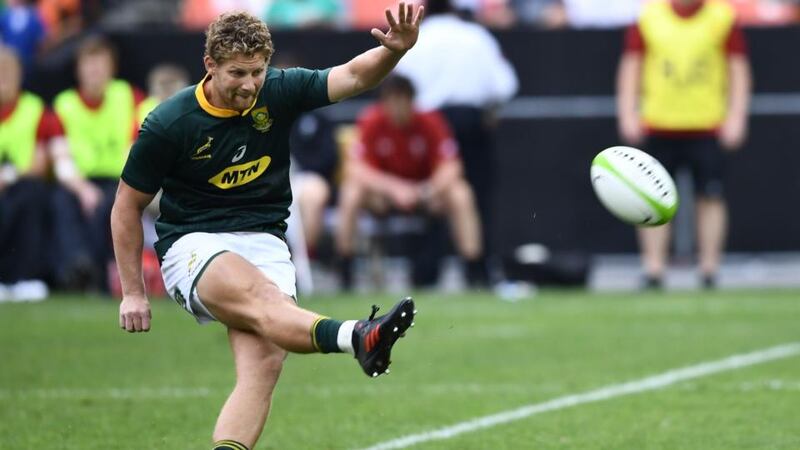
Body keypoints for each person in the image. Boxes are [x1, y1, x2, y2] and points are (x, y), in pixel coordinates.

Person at [111, 6, 422, 450]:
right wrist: (133, 291)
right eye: (237, 72)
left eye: (257, 72)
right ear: (210, 66)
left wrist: (394, 52)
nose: (248, 85)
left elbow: (354, 76)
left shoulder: (278, 89)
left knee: (264, 365)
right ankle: (359, 336)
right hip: (194, 242)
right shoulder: (170, 122)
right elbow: (126, 206)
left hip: (264, 239)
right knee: (261, 302)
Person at [616, 0, 751, 289]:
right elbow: (631, 66)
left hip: (707, 122)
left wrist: (737, 115)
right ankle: (653, 267)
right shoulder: (649, 16)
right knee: (651, 199)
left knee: (711, 196)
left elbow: (737, 69)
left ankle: (709, 267)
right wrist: (628, 112)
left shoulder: (721, 17)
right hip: (658, 121)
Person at [394, 0, 518, 286]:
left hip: (427, 124)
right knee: (476, 197)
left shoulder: (418, 41)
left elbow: (402, 88)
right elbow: (505, 85)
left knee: (432, 197)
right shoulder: (476, 37)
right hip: (471, 123)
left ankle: (425, 273)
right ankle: (477, 271)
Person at [335, 74, 483, 289]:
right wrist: (394, 188)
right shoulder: (371, 121)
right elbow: (355, 168)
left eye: (401, 100)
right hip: (383, 197)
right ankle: (345, 267)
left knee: (461, 192)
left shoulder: (430, 121)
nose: (396, 108)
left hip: (424, 194)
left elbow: (452, 166)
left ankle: (474, 269)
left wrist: (427, 189)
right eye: (391, 101)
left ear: (411, 101)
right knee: (351, 192)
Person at [50, 35, 145, 291]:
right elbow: (61, 159)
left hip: (121, 179)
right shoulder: (64, 104)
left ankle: (98, 274)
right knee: (63, 201)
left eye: (100, 64)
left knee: (109, 204)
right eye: (89, 65)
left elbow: (140, 145)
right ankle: (76, 265)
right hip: (80, 181)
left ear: (111, 68)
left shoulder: (129, 96)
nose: (94, 71)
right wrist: (82, 189)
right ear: (78, 69)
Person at [0, 45, 53, 302]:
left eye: (8, 72)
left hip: (20, 183)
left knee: (30, 194)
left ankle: (23, 277)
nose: (3, 78)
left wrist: (8, 176)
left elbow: (39, 163)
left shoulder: (34, 108)